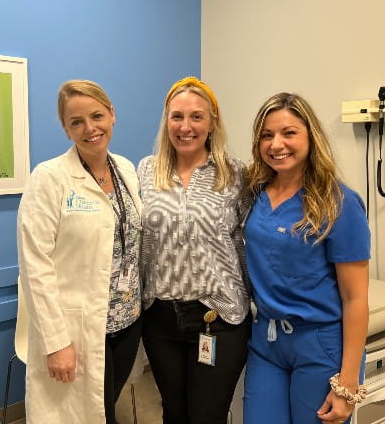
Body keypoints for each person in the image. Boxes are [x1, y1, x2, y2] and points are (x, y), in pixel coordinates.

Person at [17, 80, 142, 424]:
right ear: (66, 128)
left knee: (105, 408)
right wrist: (56, 342)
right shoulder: (49, 178)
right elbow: (34, 265)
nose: (90, 128)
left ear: (112, 114)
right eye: (76, 122)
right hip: (79, 329)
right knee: (83, 415)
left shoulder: (127, 170)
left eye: (97, 115)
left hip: (127, 323)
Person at [242, 92, 370, 424]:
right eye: (267, 136)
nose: (276, 144)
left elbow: (355, 298)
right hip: (266, 342)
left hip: (318, 343)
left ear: (311, 136)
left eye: (289, 133)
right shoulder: (254, 193)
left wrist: (348, 383)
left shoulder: (338, 202)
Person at [138, 76, 251, 424]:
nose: (185, 127)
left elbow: (260, 238)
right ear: (166, 121)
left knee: (207, 416)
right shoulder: (144, 171)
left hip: (219, 316)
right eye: (177, 116)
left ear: (212, 122)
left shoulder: (235, 174)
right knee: (173, 413)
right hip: (160, 317)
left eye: (196, 117)